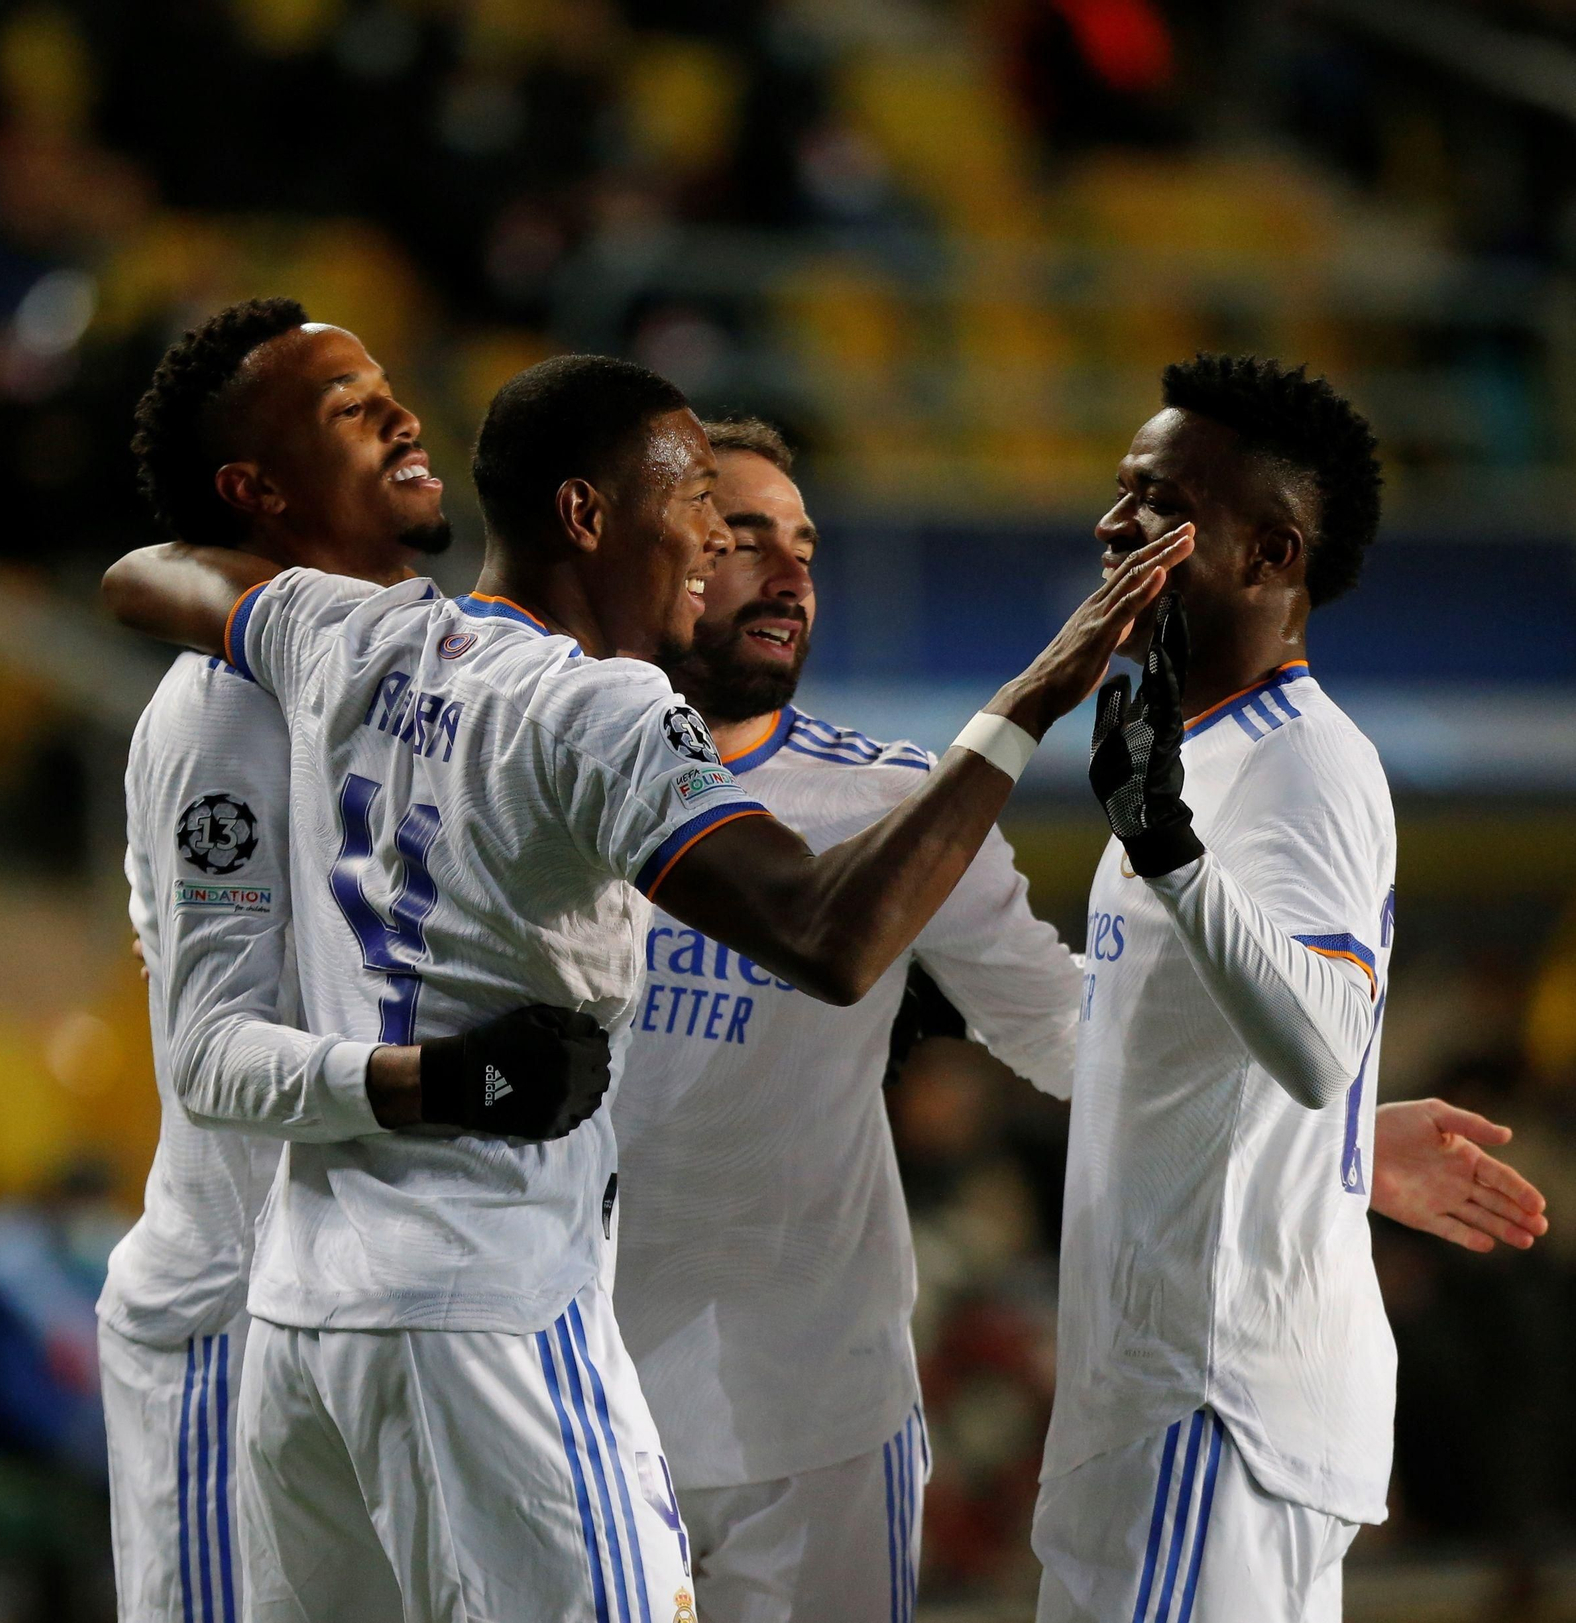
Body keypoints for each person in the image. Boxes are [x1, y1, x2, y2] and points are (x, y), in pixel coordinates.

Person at [102, 350, 1189, 1623]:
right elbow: (826, 936)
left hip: (312, 1320)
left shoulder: (355, 631)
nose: (714, 546)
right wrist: (1030, 703)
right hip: (497, 1307)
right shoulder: (604, 712)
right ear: (586, 515)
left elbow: (147, 575)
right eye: (698, 511)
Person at [609, 416, 1549, 1623]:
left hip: (811, 1413)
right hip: (584, 1383)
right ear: (663, 552)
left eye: (806, 545)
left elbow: (1063, 1021)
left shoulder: (896, 802)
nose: (789, 572)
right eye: (744, 538)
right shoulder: (556, 762)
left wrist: (1333, 1134)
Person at [98, 300, 611, 1623]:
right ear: (257, 491)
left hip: (392, 1318)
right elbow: (209, 1057)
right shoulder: (224, 716)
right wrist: (449, 1081)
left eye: (388, 385)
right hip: (231, 1329)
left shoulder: (427, 683)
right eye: (347, 405)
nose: (400, 412)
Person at [1034, 353, 1490, 1621]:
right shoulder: (1197, 752)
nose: (1112, 524)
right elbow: (1174, 1028)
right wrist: (1340, 1152)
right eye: (1120, 489)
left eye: (1159, 501)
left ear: (1269, 553)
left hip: (1213, 1397)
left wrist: (1169, 852)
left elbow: (1320, 1039)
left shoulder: (1303, 763)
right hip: (1158, 1397)